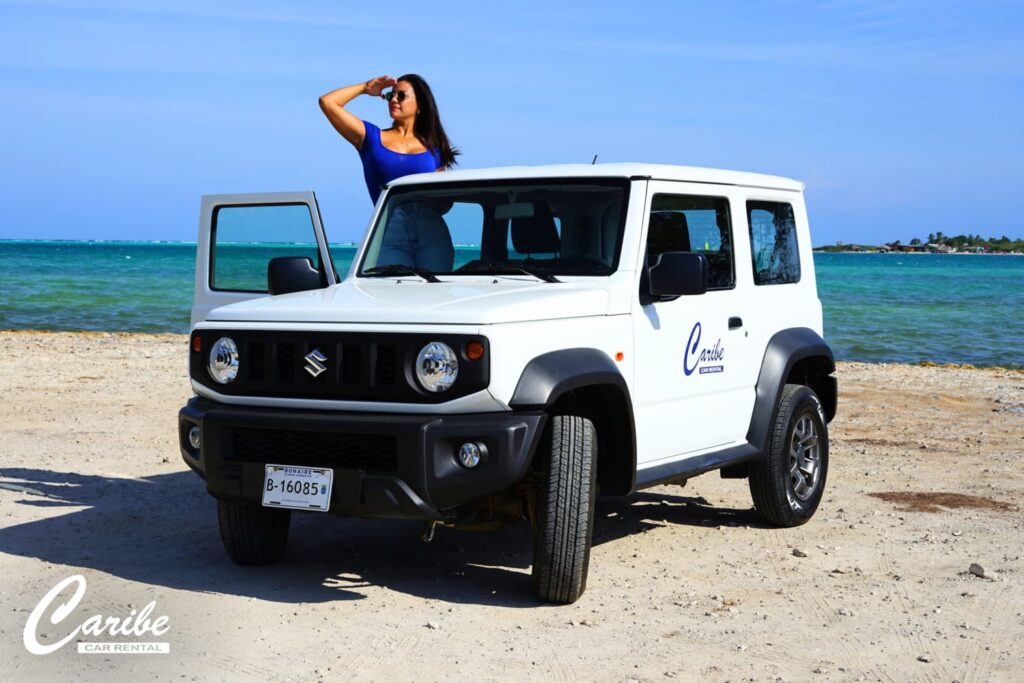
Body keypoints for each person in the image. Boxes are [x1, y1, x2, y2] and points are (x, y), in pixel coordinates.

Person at [319, 74, 459, 271]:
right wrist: (364, 88)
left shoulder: (434, 148)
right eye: (390, 95)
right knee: (391, 294)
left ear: (420, 105)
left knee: (433, 296)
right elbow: (328, 102)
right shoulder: (371, 138)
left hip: (432, 232)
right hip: (390, 230)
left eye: (401, 95)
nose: (393, 99)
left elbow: (444, 203)